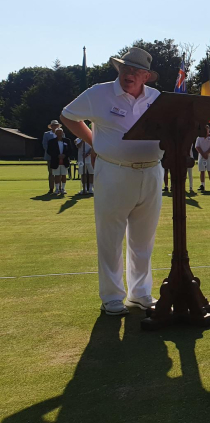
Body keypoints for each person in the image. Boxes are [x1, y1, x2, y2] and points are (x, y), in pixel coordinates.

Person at [60, 47, 164, 315]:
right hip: (114, 171)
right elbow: (68, 116)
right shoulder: (98, 92)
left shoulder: (157, 98)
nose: (129, 74)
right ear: (119, 70)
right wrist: (94, 141)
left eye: (136, 71)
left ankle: (140, 293)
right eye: (125, 68)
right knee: (110, 237)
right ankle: (112, 296)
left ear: (146, 76)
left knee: (144, 240)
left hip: (152, 172)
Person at [47, 127, 70, 195]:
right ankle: (57, 189)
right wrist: (57, 155)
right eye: (58, 132)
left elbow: (70, 150)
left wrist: (65, 155)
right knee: (56, 175)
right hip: (55, 161)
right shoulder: (51, 141)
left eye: (61, 132)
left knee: (64, 175)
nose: (60, 134)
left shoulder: (67, 141)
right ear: (55, 133)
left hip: (65, 161)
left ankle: (63, 189)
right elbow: (49, 151)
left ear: (63, 133)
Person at [195, 124, 210, 192]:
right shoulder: (199, 137)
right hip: (201, 156)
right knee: (202, 171)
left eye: (206, 129)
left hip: (209, 156)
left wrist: (206, 153)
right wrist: (203, 154)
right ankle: (202, 185)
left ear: (208, 130)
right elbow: (197, 146)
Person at [42, 119, 60, 193]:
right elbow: (45, 145)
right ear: (51, 126)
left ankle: (59, 188)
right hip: (50, 156)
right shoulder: (46, 134)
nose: (55, 127)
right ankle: (51, 188)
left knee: (59, 173)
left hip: (59, 157)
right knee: (51, 173)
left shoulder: (61, 133)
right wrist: (52, 154)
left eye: (56, 125)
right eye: (54, 125)